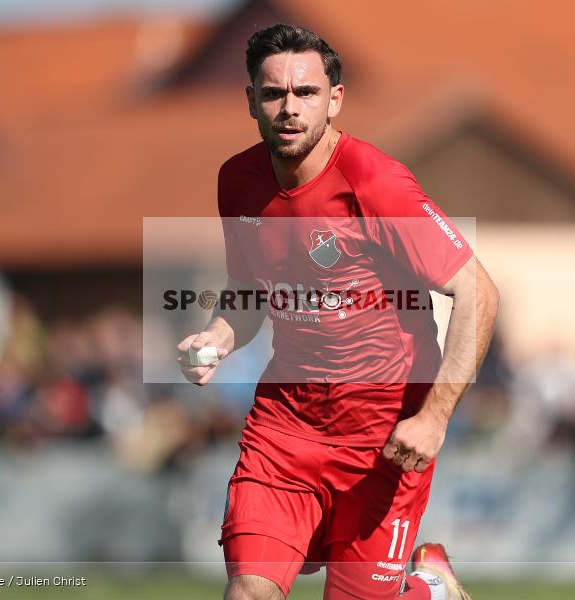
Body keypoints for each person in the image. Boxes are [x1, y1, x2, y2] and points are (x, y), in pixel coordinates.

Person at [177, 23, 499, 600]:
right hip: (286, 428)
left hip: (382, 438)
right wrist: (218, 335)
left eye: (306, 93)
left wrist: (434, 418)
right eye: (274, 93)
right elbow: (248, 290)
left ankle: (428, 591)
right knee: (248, 591)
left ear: (335, 99)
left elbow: (479, 292)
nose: (290, 108)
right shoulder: (237, 181)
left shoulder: (376, 183)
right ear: (251, 100)